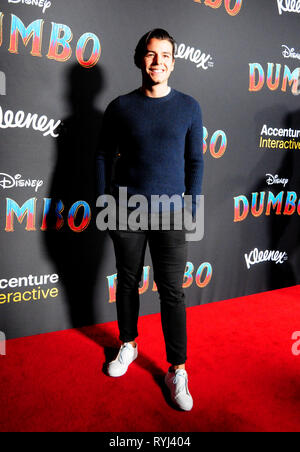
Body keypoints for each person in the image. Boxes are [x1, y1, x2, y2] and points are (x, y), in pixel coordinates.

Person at [97, 28, 204, 411]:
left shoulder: (190, 107)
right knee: (127, 282)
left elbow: (195, 162)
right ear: (139, 58)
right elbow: (103, 156)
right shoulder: (120, 107)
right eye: (151, 54)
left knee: (172, 292)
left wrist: (192, 207)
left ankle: (177, 369)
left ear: (174, 62)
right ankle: (127, 345)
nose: (158, 61)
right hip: (126, 209)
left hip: (173, 213)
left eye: (166, 55)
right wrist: (103, 201)